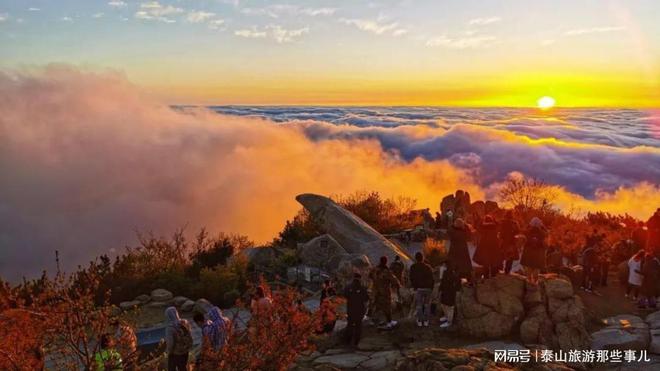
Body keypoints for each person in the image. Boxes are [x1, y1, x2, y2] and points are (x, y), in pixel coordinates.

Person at [370, 256, 400, 329]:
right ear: (386, 262)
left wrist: (375, 281)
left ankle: (372, 320)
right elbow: (394, 280)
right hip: (384, 291)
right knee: (387, 306)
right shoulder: (386, 271)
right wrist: (398, 285)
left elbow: (370, 275)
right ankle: (389, 322)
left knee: (375, 304)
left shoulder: (375, 269)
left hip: (375, 290)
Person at [409, 252, 434, 327]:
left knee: (419, 305)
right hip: (428, 288)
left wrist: (414, 287)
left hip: (418, 288)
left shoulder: (413, 267)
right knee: (426, 305)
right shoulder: (428, 267)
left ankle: (420, 321)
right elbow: (432, 279)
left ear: (416, 258)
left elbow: (411, 278)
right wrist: (431, 288)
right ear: (422, 258)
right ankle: (426, 321)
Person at [344, 273, 369, 348]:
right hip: (360, 310)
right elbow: (366, 299)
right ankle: (356, 342)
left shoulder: (348, 287)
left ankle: (348, 341)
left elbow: (345, 296)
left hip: (350, 309)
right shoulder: (363, 288)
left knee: (350, 324)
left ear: (353, 278)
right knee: (358, 325)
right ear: (360, 278)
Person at [165, 306, 193, 371]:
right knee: (183, 368)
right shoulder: (184, 322)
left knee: (171, 369)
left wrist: (169, 352)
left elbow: (170, 343)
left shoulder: (170, 328)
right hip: (185, 351)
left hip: (175, 353)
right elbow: (189, 334)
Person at [473, 215, 501, 280]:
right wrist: (494, 220)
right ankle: (493, 277)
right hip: (494, 246)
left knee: (486, 263)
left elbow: (477, 227)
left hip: (484, 246)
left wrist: (481, 220)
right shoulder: (495, 227)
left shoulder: (483, 227)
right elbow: (499, 225)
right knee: (493, 262)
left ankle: (486, 277)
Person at [520, 217, 547, 284]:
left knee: (529, 266)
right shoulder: (542, 232)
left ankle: (529, 281)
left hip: (529, 250)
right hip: (539, 251)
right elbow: (547, 234)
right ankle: (535, 282)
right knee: (537, 267)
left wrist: (528, 225)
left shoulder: (528, 230)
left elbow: (523, 231)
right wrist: (543, 226)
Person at [447, 218, 473, 284]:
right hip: (463, 250)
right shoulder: (463, 231)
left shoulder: (452, 231)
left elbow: (449, 232)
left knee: (453, 264)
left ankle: (454, 279)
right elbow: (469, 235)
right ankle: (467, 278)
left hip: (454, 250)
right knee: (464, 265)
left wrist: (452, 226)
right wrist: (466, 226)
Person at [439, 262, 461, 329]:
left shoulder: (453, 273)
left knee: (450, 307)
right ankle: (446, 317)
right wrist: (441, 288)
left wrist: (456, 289)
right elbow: (443, 281)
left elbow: (457, 283)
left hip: (450, 292)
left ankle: (449, 321)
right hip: (446, 291)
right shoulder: (446, 272)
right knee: (444, 305)